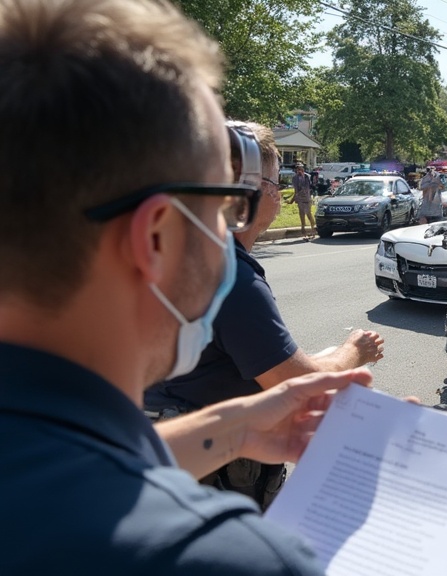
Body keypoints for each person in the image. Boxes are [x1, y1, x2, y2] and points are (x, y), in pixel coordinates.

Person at [0, 0, 373, 572]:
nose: (230, 233)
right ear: (155, 238)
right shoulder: (220, 558)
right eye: (223, 208)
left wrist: (232, 429)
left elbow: (59, 465)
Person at [145, 121, 385, 511]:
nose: (280, 193)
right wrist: (354, 351)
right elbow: (296, 382)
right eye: (277, 181)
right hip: (213, 487)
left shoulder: (163, 256)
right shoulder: (229, 279)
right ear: (250, 194)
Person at [290, 162, 315, 239]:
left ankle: (313, 230)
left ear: (303, 169)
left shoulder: (307, 177)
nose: (299, 171)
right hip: (300, 199)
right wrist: (293, 199)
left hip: (307, 198)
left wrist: (294, 197)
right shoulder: (294, 178)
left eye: (301, 169)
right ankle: (303, 231)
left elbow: (307, 188)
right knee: (301, 214)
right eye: (298, 169)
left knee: (308, 214)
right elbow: (296, 190)